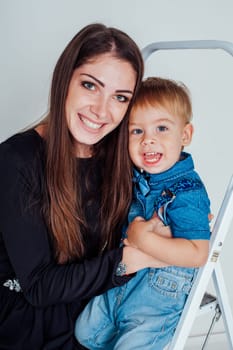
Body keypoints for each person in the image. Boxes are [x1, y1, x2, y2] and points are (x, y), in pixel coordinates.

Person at [0, 24, 166, 350]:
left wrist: (178, 221)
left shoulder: (119, 159)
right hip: (26, 327)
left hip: (89, 313)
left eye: (120, 97)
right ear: (66, 80)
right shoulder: (16, 160)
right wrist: (132, 259)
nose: (101, 111)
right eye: (90, 85)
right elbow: (40, 288)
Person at [75, 77, 211, 350]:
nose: (148, 140)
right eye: (137, 131)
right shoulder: (138, 177)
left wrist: (142, 238)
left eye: (161, 128)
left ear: (185, 135)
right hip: (123, 286)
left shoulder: (187, 192)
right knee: (85, 333)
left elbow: (197, 253)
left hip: (158, 301)